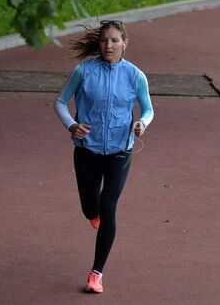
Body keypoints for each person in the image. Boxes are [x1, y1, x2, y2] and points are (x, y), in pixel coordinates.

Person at [54, 20, 154, 293]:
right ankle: (92, 212)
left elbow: (148, 109)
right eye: (103, 41)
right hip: (87, 150)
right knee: (91, 207)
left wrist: (141, 124)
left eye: (114, 41)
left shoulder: (135, 76)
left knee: (109, 207)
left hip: (120, 152)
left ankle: (96, 273)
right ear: (99, 43)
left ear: (125, 43)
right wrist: (72, 125)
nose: (108, 46)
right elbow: (60, 102)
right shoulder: (84, 72)